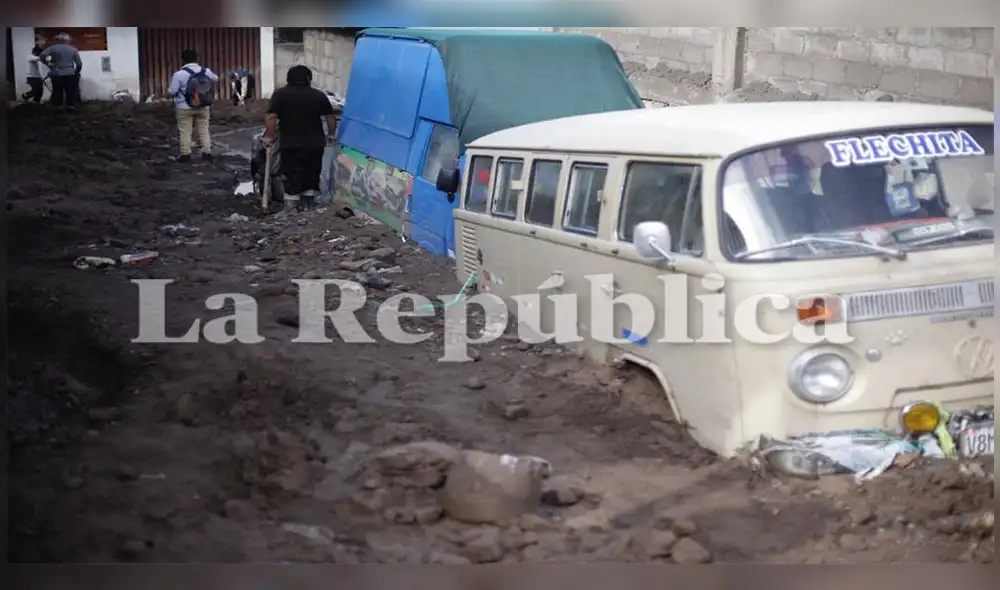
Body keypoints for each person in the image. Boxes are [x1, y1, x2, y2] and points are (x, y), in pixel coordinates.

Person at [263, 65, 339, 216]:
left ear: (288, 79)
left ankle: (291, 206)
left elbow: (271, 117)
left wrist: (270, 138)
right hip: (315, 143)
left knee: (291, 173)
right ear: (309, 79)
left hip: (290, 142)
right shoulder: (318, 96)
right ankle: (308, 204)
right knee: (312, 171)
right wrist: (331, 135)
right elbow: (330, 117)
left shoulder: (280, 95)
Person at [167, 49, 219, 162]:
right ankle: (207, 152)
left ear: (183, 60)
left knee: (185, 130)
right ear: (197, 59)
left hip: (183, 107)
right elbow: (216, 79)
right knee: (204, 129)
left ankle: (185, 154)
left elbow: (172, 91)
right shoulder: (206, 71)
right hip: (203, 106)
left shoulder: (178, 74)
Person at [39, 32, 81, 109]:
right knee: (70, 91)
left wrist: (49, 64)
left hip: (57, 72)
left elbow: (42, 56)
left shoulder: (52, 48)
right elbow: (79, 64)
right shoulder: (73, 49)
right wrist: (76, 72)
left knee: (57, 91)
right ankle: (70, 107)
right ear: (67, 40)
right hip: (70, 73)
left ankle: (58, 108)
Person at [22, 35, 46, 103]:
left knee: (40, 92)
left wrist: (42, 77)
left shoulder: (38, 59)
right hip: (31, 77)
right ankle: (24, 96)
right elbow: (38, 58)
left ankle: (36, 102)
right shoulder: (30, 57)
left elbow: (40, 65)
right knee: (35, 91)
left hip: (38, 77)